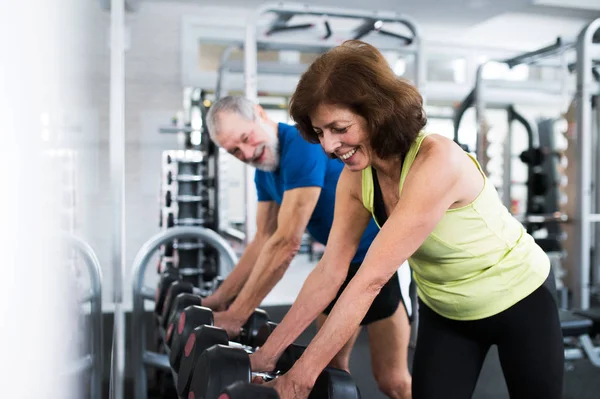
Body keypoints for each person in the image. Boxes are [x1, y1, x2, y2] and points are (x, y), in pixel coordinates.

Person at [248, 40, 565, 399]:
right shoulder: (356, 177)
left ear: (375, 111)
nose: (328, 146)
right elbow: (330, 272)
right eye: (320, 132)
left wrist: (300, 379)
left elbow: (370, 279)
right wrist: (264, 357)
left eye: (339, 128)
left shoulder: (437, 160)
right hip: (445, 310)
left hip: (518, 299)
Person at [201, 95, 413, 399]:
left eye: (246, 138)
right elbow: (263, 241)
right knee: (333, 374)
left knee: (393, 381)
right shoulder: (266, 170)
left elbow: (286, 243)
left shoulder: (301, 145)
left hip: (374, 267)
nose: (246, 153)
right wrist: (219, 301)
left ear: (259, 114)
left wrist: (236, 317)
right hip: (338, 268)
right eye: (235, 151)